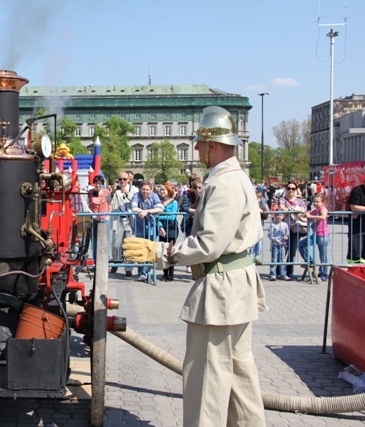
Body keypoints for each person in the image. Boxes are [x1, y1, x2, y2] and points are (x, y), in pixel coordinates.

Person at [123, 106, 267, 426]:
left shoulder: (223, 183)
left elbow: (208, 244)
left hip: (221, 290)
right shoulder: (235, 176)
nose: (198, 148)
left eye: (201, 143)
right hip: (233, 287)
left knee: (207, 382)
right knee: (240, 383)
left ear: (213, 145)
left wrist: (163, 252)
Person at [130, 179, 163, 282]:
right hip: (140, 227)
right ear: (140, 189)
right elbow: (133, 207)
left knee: (150, 249)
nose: (145, 191)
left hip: (151, 227)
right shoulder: (136, 195)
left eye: (147, 190)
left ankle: (148, 272)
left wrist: (147, 211)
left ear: (151, 189)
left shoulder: (154, 196)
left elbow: (160, 208)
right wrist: (142, 211)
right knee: (141, 249)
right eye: (143, 189)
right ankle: (141, 273)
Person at [109, 170, 138, 277]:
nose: (122, 181)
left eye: (124, 179)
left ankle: (129, 267)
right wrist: (112, 192)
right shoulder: (115, 190)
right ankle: (115, 262)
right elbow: (107, 200)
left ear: (129, 180)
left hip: (129, 219)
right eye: (120, 179)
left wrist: (127, 193)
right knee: (115, 244)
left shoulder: (134, 190)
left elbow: (136, 201)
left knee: (129, 244)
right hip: (117, 219)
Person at [279, 180, 307, 280]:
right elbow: (282, 208)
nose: (291, 190)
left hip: (296, 227)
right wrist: (294, 210)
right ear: (286, 189)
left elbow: (303, 211)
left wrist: (293, 210)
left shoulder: (300, 201)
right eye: (289, 188)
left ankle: (290, 271)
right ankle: (280, 271)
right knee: (283, 250)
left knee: (292, 250)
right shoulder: (283, 199)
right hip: (284, 228)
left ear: (296, 190)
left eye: (293, 189)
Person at [300, 194, 330, 281]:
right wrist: (303, 216)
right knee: (301, 244)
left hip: (323, 235)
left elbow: (323, 217)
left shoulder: (323, 209)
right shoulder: (315, 210)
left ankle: (323, 274)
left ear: (322, 202)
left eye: (317, 202)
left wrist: (310, 216)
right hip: (315, 235)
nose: (315, 203)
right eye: (314, 202)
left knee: (323, 255)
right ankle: (310, 260)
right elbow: (307, 218)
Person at [346, 174, 365, 264]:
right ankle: (353, 267)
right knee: (355, 248)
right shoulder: (357, 191)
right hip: (357, 224)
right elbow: (354, 207)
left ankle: (362, 265)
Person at [157, 183, 179, 281]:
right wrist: (160, 225)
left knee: (170, 251)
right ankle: (164, 273)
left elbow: (172, 217)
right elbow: (156, 218)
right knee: (163, 251)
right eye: (161, 190)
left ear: (168, 191)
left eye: (164, 190)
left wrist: (160, 215)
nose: (162, 191)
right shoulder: (160, 202)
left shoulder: (174, 202)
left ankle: (171, 274)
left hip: (171, 229)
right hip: (162, 229)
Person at [88, 175, 111, 265]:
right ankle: (95, 261)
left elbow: (110, 203)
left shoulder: (106, 192)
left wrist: (108, 214)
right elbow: (87, 205)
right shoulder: (90, 192)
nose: (98, 185)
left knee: (105, 241)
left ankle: (106, 261)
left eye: (100, 184)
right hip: (94, 218)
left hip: (104, 218)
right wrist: (93, 215)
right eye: (96, 183)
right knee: (94, 241)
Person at [268, 213, 289, 281]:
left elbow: (287, 232)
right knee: (274, 259)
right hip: (275, 244)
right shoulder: (272, 225)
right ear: (274, 216)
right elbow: (270, 235)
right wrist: (275, 240)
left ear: (283, 216)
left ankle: (283, 274)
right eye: (277, 215)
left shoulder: (285, 224)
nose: (278, 217)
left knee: (282, 259)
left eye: (280, 215)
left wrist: (286, 236)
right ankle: (273, 274)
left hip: (282, 244)